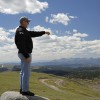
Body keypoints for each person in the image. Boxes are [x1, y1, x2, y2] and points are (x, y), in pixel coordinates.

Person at [15, 16, 50, 96]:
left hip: (23, 53)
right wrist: (27, 56)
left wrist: (44, 32)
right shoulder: (21, 31)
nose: (28, 23)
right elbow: (20, 45)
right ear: (23, 22)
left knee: (23, 72)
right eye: (27, 22)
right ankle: (25, 90)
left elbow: (34, 33)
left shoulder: (24, 31)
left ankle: (22, 88)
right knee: (26, 73)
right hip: (25, 54)